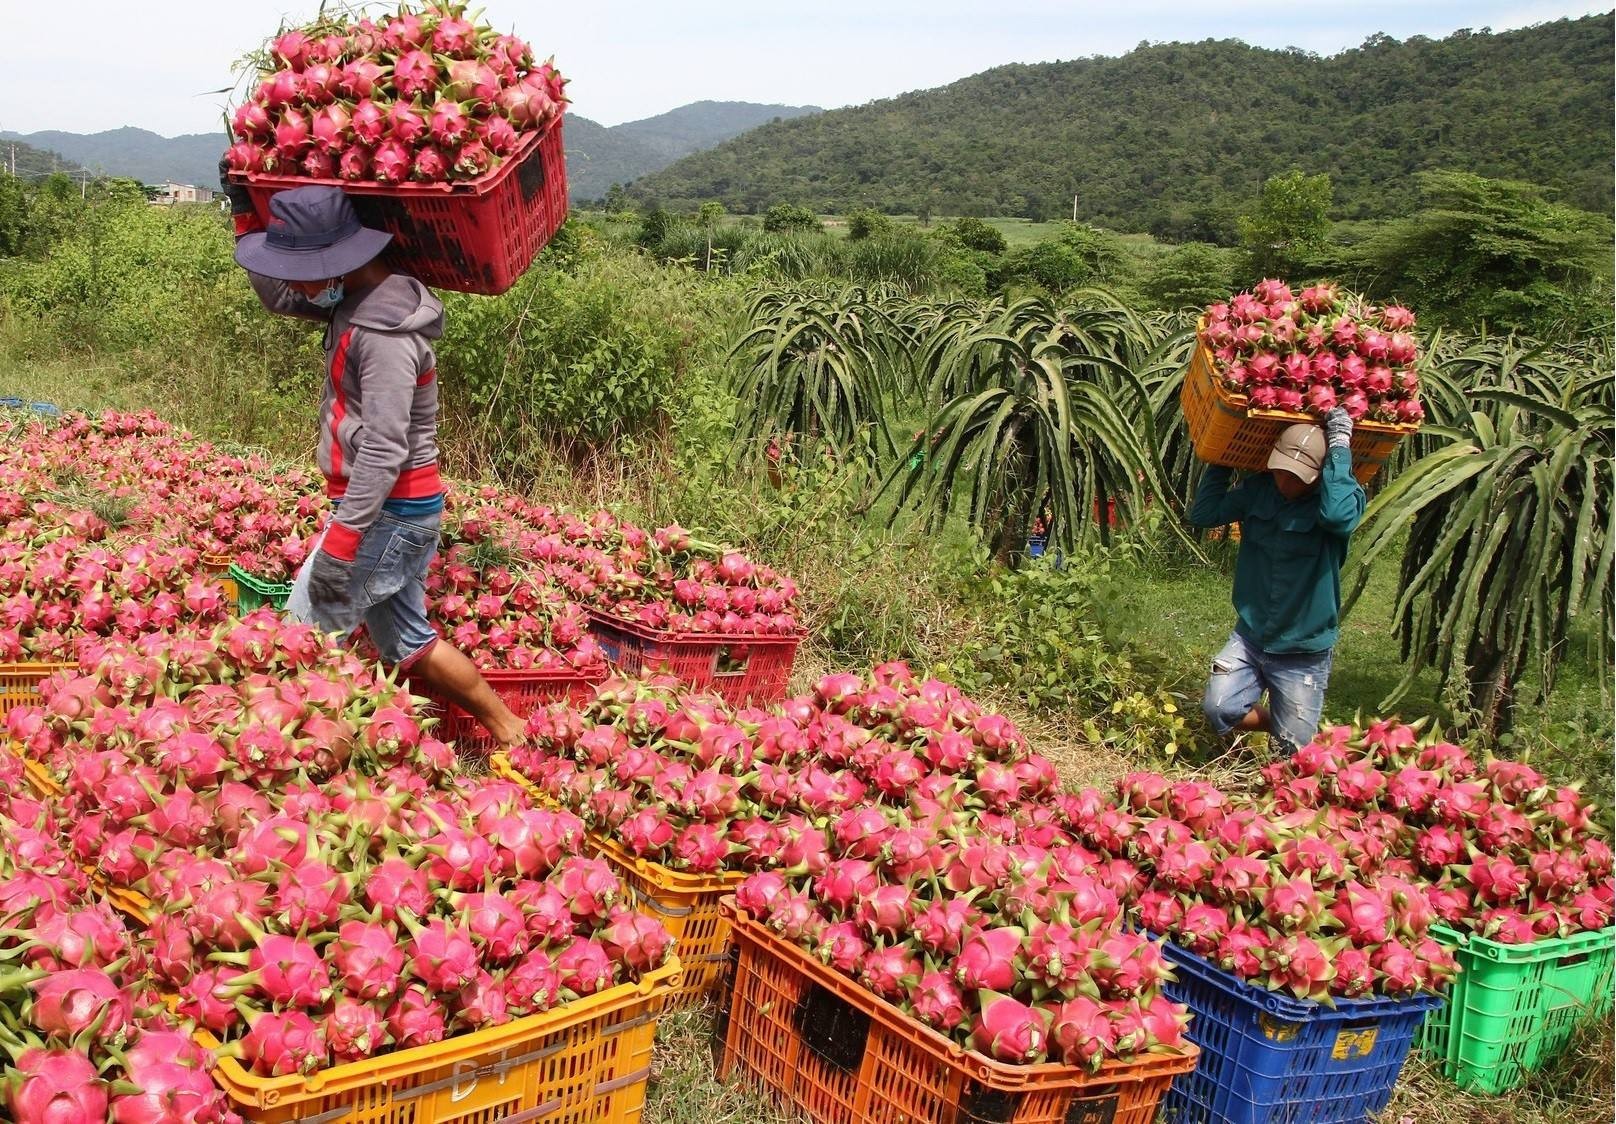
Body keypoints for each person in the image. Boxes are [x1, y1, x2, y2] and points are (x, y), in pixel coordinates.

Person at [220, 172, 525, 747]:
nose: (299, 287)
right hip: (391, 515)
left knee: (300, 644)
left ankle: (304, 767)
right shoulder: (356, 296)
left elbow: (385, 448)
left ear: (338, 265)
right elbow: (279, 297)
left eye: (306, 274)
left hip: (387, 514)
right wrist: (244, 214)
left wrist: (340, 545)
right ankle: (511, 729)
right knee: (410, 642)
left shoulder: (384, 334)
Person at [1188, 408, 1366, 757]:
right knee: (1220, 707)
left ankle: (1291, 732)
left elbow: (1339, 517)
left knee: (1294, 757)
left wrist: (1340, 446)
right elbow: (1204, 514)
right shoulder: (1260, 490)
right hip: (1252, 636)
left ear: (1318, 476)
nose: (1286, 481)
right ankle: (1279, 722)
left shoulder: (1336, 504)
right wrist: (1223, 457)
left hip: (1303, 650)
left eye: (1298, 476)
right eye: (1282, 471)